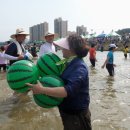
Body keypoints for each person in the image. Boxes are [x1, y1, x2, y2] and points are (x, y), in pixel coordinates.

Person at [26, 34, 92, 130]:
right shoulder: (69, 62)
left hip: (76, 115)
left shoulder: (79, 67)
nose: (61, 48)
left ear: (71, 49)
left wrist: (42, 90)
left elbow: (67, 91)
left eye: (63, 47)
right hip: (68, 111)